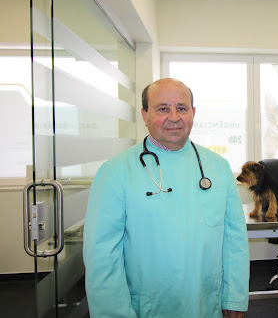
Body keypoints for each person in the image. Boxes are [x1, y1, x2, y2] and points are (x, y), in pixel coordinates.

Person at [83, 78, 250, 318]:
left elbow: (234, 240)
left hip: (206, 303)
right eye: (163, 109)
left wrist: (234, 297)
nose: (174, 116)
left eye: (181, 108)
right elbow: (102, 254)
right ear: (144, 115)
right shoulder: (117, 171)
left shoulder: (218, 167)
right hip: (146, 308)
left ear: (193, 113)